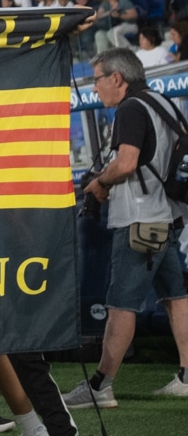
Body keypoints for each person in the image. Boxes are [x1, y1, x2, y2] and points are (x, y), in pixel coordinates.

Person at [68, 48, 188, 407]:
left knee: (121, 304)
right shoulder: (162, 102)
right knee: (175, 298)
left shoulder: (130, 108)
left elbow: (126, 163)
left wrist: (100, 183)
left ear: (116, 78)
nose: (95, 87)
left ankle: (100, 386)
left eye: (97, 79)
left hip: (141, 221)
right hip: (168, 216)